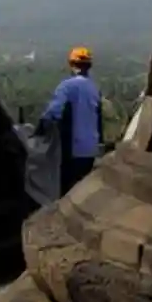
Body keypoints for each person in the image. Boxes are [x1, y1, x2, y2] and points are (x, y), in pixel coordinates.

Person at [40, 47, 103, 195]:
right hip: (90, 150)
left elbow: (53, 112)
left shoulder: (67, 87)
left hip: (72, 149)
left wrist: (39, 130)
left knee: (66, 191)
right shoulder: (94, 88)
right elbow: (98, 117)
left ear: (71, 64)